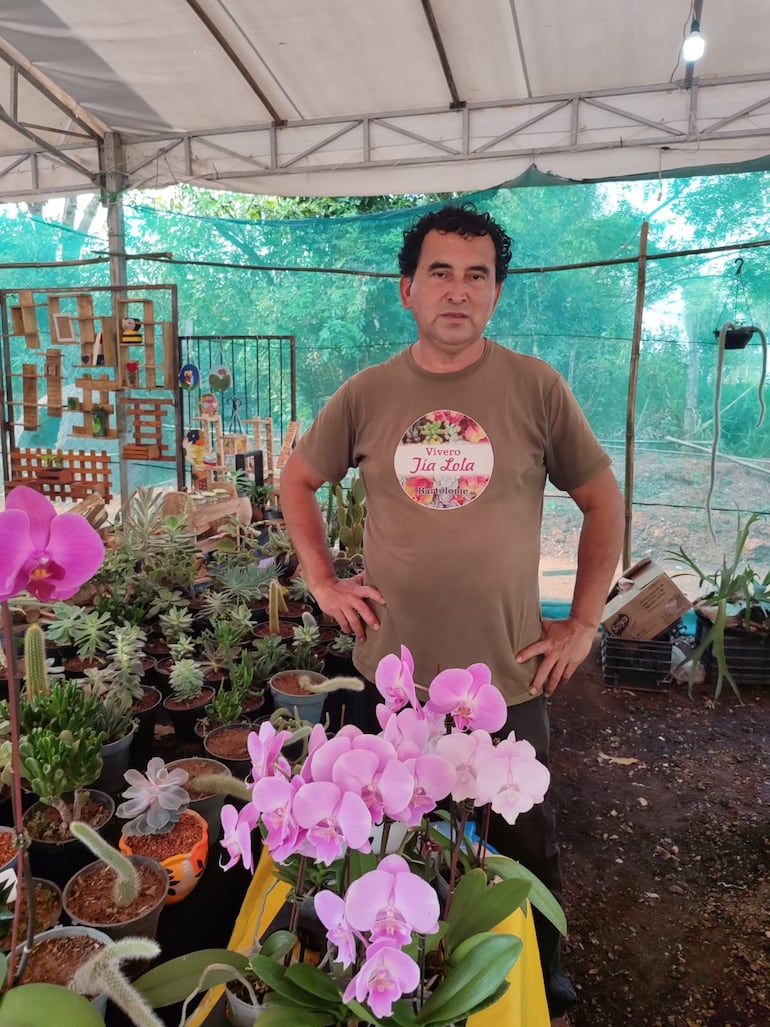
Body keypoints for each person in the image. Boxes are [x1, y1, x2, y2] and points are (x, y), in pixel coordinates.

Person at [279, 202, 625, 1025]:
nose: (458, 291)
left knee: (523, 852)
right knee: (384, 848)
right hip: (390, 681)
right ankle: (392, 987)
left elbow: (601, 496)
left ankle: (548, 987)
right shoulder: (368, 394)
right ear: (407, 290)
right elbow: (299, 480)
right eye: (441, 272)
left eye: (478, 276)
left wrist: (582, 620)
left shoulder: (535, 387)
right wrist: (322, 578)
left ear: (497, 294)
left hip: (509, 678)